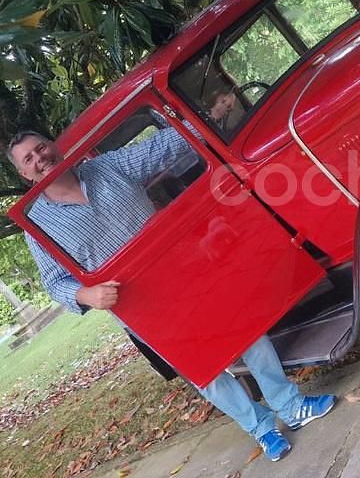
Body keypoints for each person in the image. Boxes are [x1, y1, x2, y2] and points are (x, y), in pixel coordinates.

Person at [4, 128, 336, 462]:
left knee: (248, 335)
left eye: (41, 148)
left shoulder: (107, 167)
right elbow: (54, 281)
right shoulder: (38, 225)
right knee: (203, 370)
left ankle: (291, 406)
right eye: (28, 159)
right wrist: (86, 294)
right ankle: (261, 428)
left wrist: (197, 119)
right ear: (23, 174)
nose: (40, 159)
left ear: (55, 147)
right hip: (140, 307)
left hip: (183, 273)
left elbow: (158, 148)